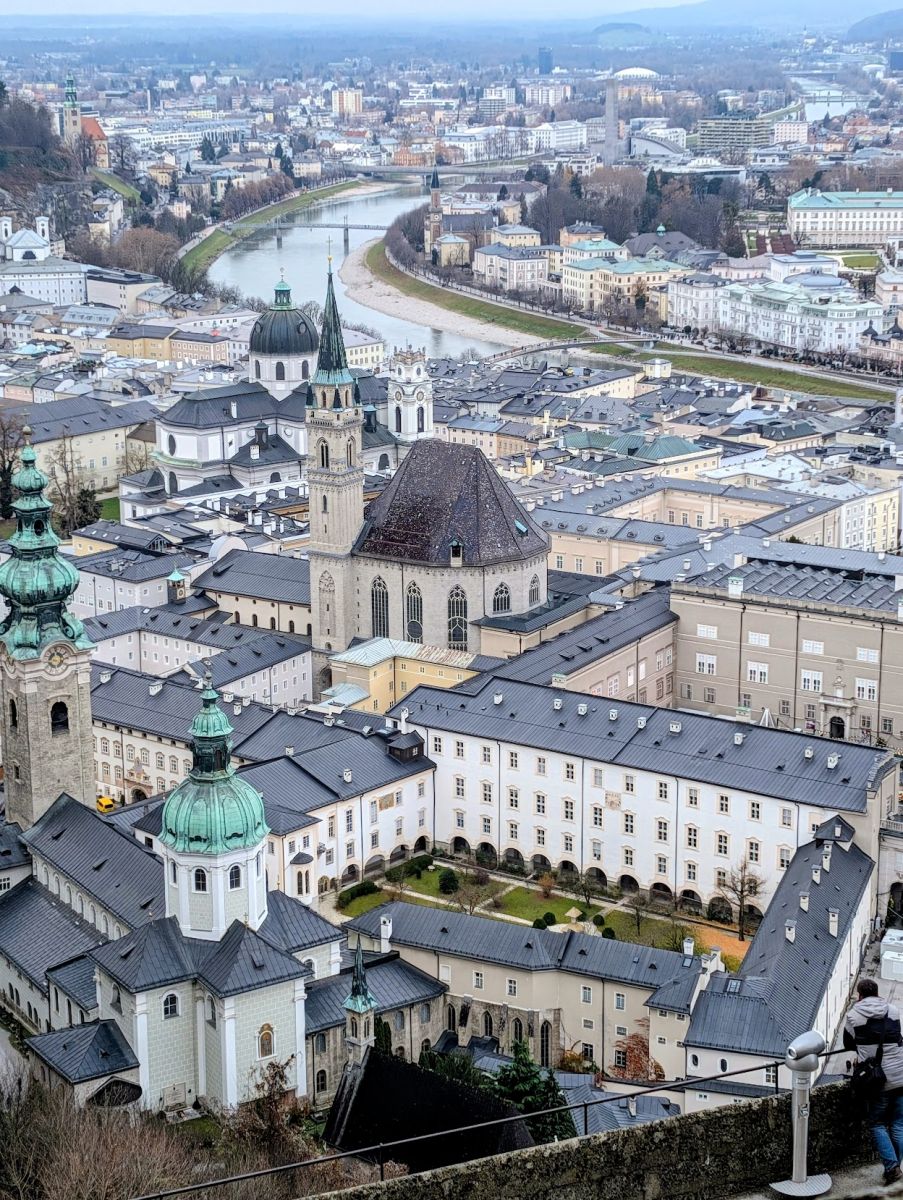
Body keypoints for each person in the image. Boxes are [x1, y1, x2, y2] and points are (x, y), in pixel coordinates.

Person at [844, 978, 903, 1186]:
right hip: (901, 1073)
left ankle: (892, 1168)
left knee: (877, 1123)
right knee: (898, 1123)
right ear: (877, 993)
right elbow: (897, 1038)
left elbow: (848, 1043)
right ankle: (894, 1169)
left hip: (879, 1079)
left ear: (859, 995)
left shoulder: (853, 1016)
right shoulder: (893, 1010)